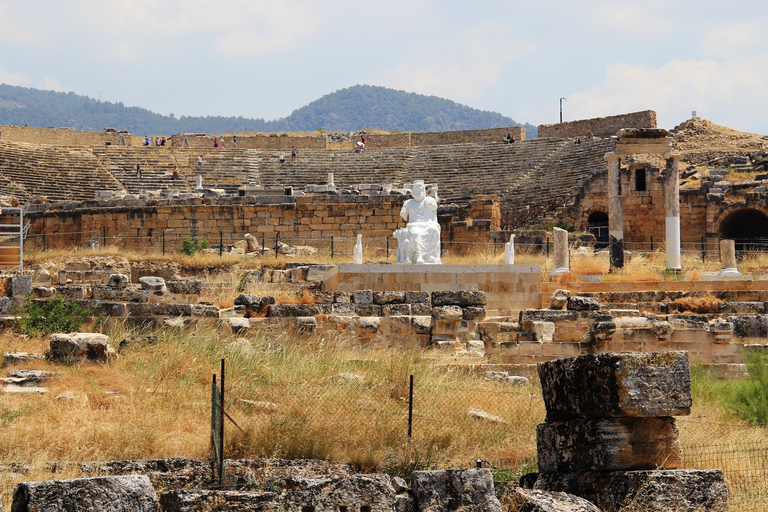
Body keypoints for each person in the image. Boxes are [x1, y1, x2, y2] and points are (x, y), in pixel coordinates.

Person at [399, 180, 441, 264]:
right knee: (416, 233)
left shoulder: (429, 200)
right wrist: (404, 209)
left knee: (434, 230)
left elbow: (434, 207)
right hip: (414, 225)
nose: (418, 192)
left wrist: (432, 202)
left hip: (428, 224)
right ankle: (418, 256)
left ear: (424, 191)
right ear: (413, 192)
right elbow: (403, 215)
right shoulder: (408, 203)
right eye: (416, 190)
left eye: (420, 190)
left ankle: (430, 255)